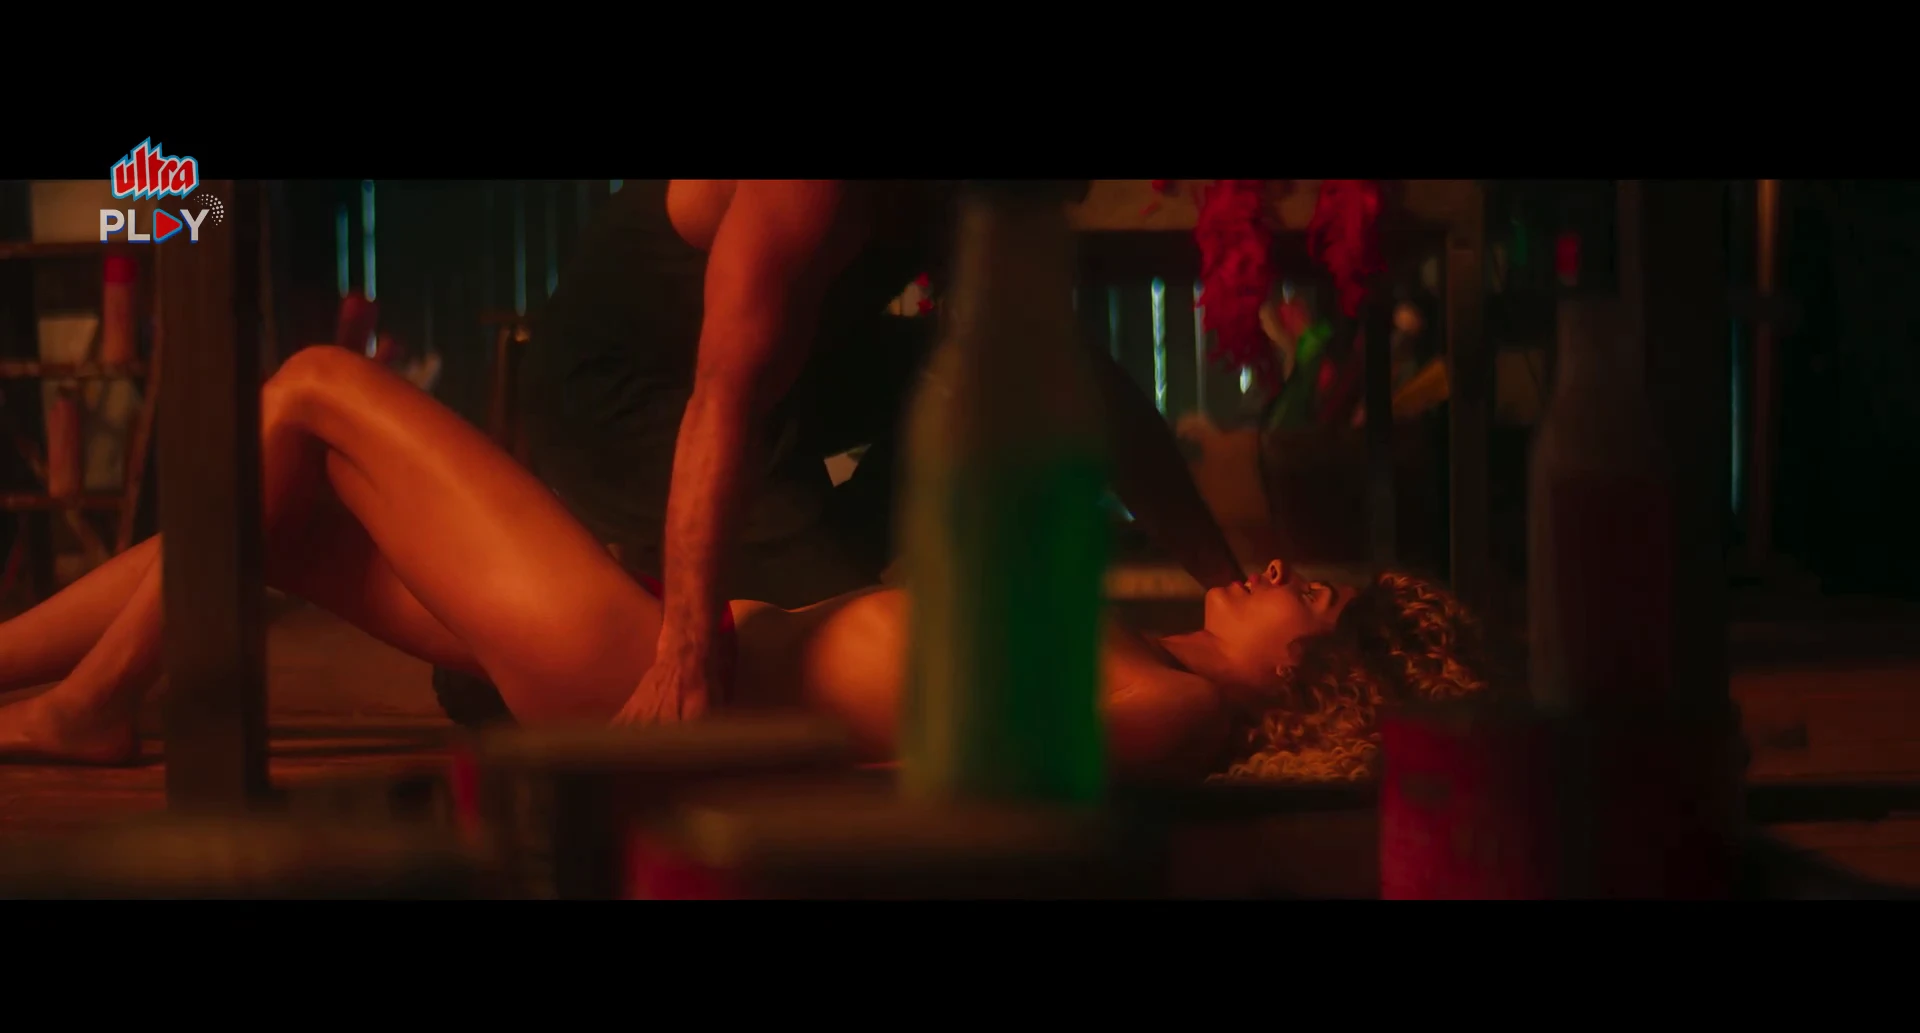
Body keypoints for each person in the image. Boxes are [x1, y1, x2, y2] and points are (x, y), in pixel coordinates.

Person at [0, 347, 1487, 780]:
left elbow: (971, 775)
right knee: (289, 509)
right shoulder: (1149, 668)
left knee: (314, 389)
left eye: (1314, 598)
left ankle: (91, 711)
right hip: (669, 640)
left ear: (1322, 684)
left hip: (640, 677)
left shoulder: (1177, 708)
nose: (1283, 571)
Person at [510, 179, 1246, 724]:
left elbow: (1065, 377)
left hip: (788, 388)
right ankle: (535, 658)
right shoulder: (810, 191)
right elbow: (723, 398)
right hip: (617, 401)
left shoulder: (962, 207)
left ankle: (782, 575)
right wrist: (685, 654)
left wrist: (1228, 589)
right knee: (850, 659)